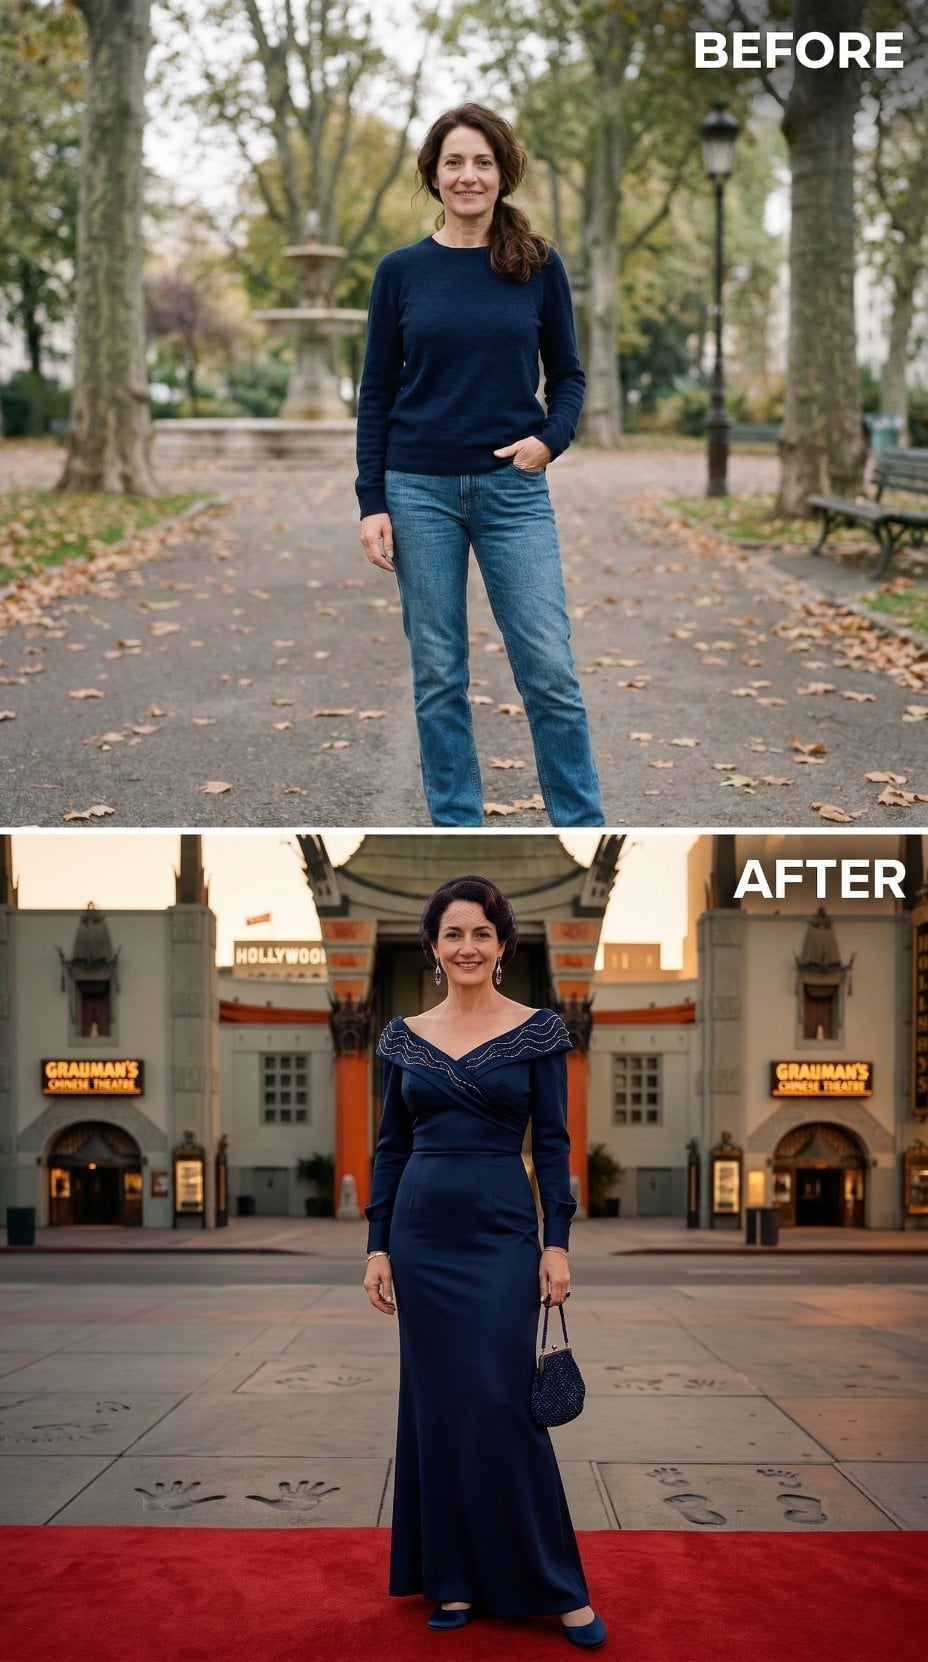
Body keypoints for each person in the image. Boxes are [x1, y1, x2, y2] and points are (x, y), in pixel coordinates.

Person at [362, 874, 607, 1650]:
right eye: (453, 934)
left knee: (505, 1407)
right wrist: (376, 1246)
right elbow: (391, 1148)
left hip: (503, 1234)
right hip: (421, 1238)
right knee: (438, 1412)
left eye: (482, 934)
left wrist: (558, 1239)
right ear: (433, 948)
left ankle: (558, 1586)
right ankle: (455, 1581)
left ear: (503, 945)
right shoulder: (403, 1036)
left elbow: (558, 1145)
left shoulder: (538, 1031)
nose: (467, 947)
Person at [355, 103, 605, 829]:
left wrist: (549, 441)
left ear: (503, 173)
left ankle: (582, 825)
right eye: (455, 162)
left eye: (483, 162)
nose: (469, 175)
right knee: (438, 676)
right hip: (418, 491)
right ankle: (458, 825)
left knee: (549, 671)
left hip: (514, 491)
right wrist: (372, 500)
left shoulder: (536, 264)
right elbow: (376, 392)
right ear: (434, 175)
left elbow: (570, 375)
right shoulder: (400, 272)